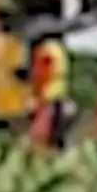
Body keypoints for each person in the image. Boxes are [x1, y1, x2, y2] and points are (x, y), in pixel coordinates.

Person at [30, 20, 72, 148]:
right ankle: (58, 143)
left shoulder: (45, 51)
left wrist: (36, 92)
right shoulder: (60, 50)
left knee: (44, 123)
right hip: (60, 90)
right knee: (58, 121)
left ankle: (43, 145)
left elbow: (41, 73)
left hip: (47, 90)